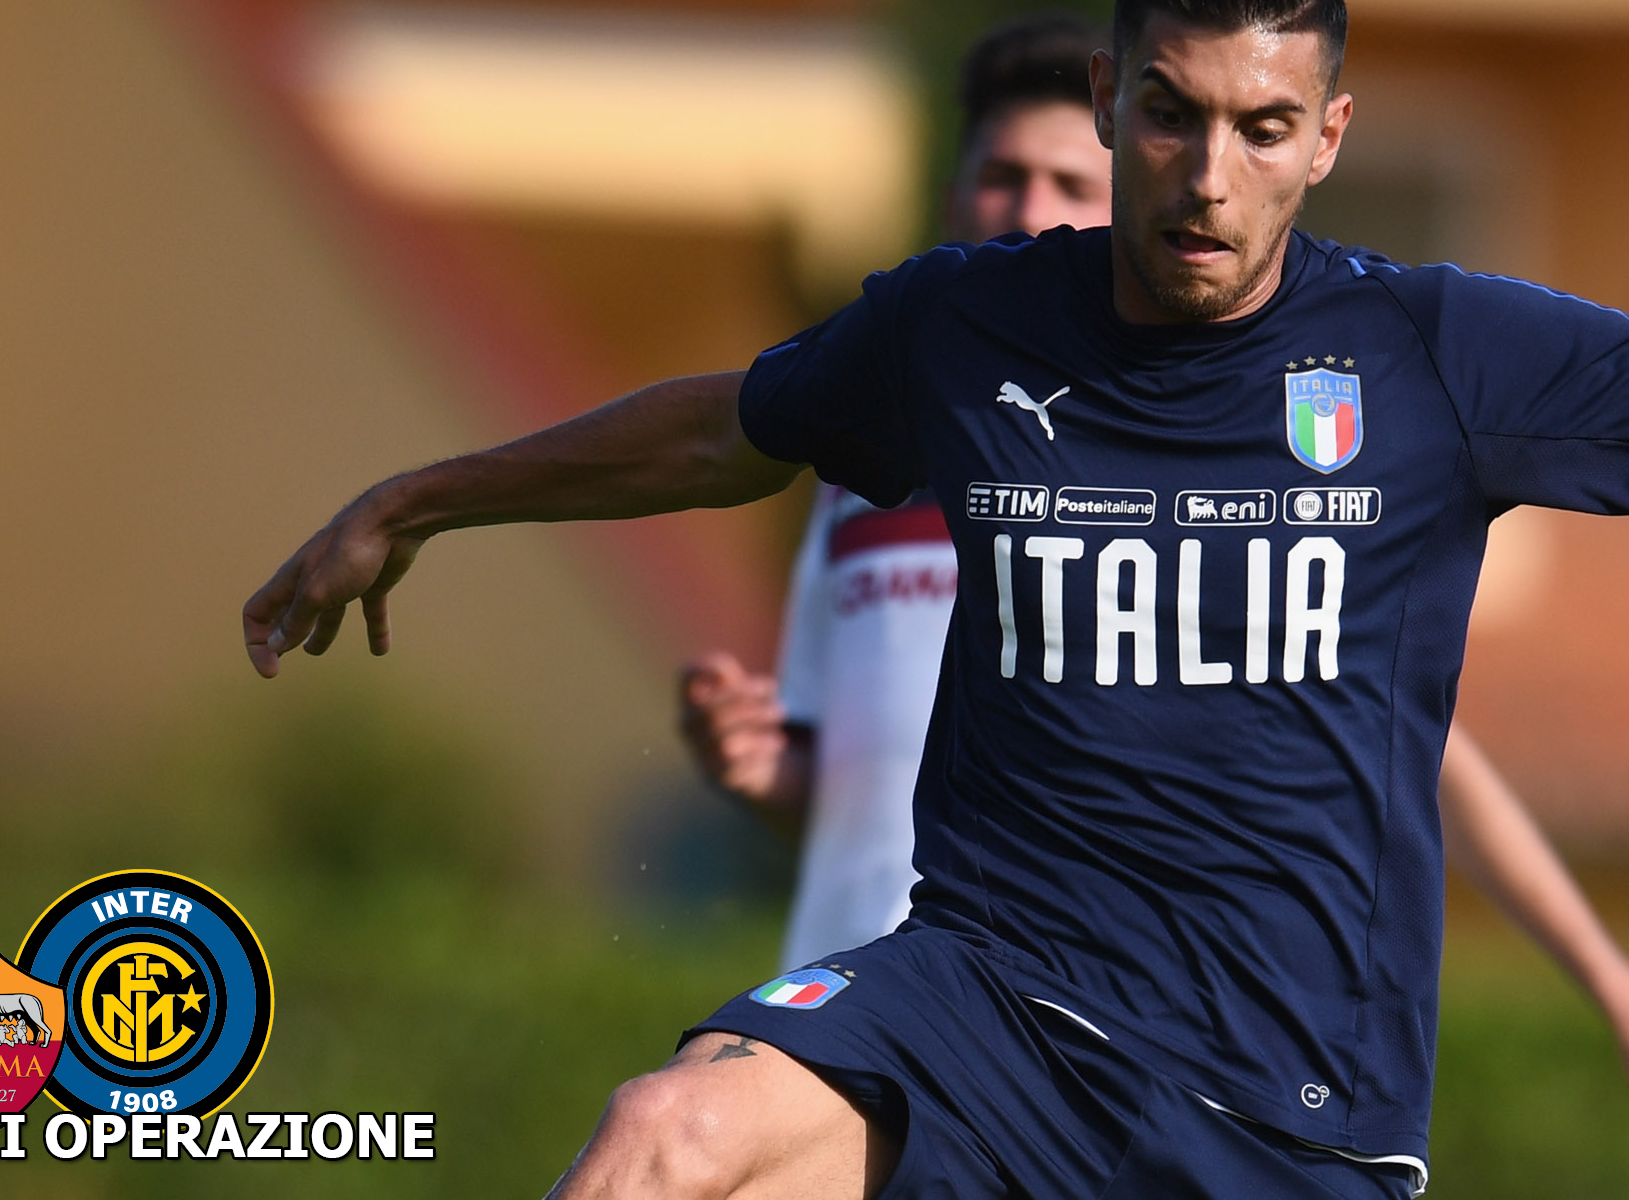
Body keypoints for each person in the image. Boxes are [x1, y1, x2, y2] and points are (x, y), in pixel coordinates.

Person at [244, 2, 1629, 1194]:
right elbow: (724, 435)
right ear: (1110, 98)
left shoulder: (1438, 351)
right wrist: (415, 500)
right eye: (1171, 114)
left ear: (1327, 137)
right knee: (670, 1134)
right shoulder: (967, 326)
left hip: (1286, 1106)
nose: (1210, 176)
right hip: (988, 1007)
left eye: (1263, 129)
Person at [678, 12, 1629, 1075]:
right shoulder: (857, 483)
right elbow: (858, 781)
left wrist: (1609, 977)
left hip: (1100, 1034)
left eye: (1062, 186)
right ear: (955, 194)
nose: (1028, 212)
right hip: (877, 999)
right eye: (1001, 177)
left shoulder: (1220, 468)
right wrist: (769, 771)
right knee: (672, 1127)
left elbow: (1417, 755)